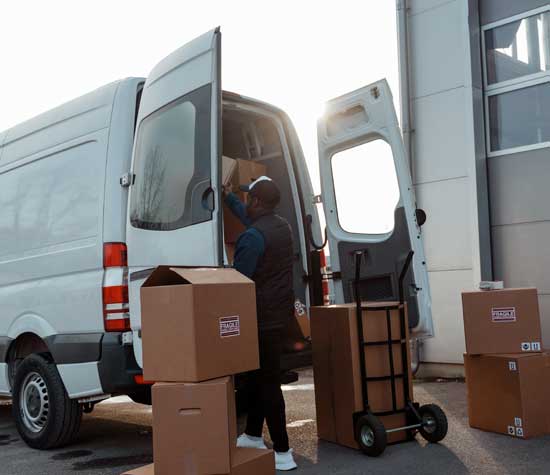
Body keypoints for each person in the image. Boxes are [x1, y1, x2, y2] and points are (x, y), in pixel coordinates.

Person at [224, 176, 298, 471]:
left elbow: (238, 282)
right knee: (257, 377)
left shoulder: (252, 238)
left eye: (246, 199)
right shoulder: (282, 227)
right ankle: (253, 434)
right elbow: (250, 220)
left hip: (260, 319)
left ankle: (283, 451)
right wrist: (229, 197)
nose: (244, 204)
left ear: (256, 201)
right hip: (280, 316)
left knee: (268, 383)